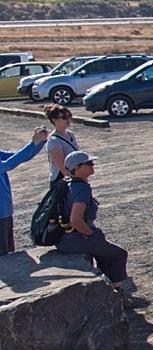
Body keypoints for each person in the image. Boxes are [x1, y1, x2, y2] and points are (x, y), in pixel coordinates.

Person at [56, 151, 129, 291]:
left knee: (104, 254)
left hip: (65, 239)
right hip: (76, 238)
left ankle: (107, 291)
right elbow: (75, 219)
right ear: (76, 168)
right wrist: (91, 234)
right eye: (88, 163)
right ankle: (116, 293)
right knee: (118, 255)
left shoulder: (68, 184)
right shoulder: (81, 188)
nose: (92, 165)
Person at [0, 127, 48, 255]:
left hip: (4, 211)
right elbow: (8, 164)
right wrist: (33, 143)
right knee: (3, 257)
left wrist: (39, 142)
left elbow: (20, 157)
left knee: (8, 252)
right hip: (1, 212)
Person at [45, 104, 78, 188]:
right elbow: (62, 168)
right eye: (63, 118)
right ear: (54, 120)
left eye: (69, 116)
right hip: (62, 180)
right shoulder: (53, 140)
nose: (67, 120)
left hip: (75, 176)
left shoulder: (70, 134)